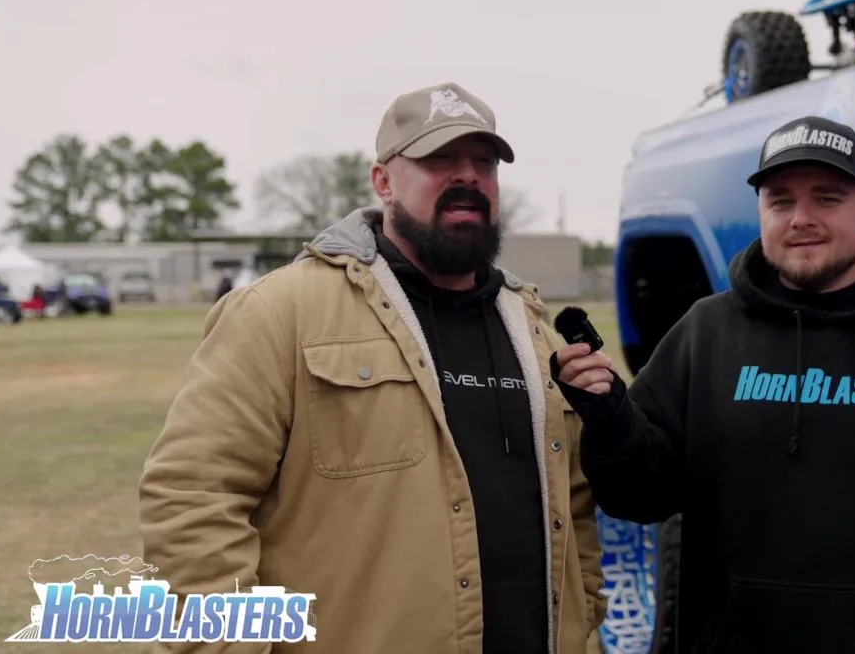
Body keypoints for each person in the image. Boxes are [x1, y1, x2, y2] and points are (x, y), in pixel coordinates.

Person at [553, 116, 855, 653]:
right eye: (781, 201)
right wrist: (610, 417)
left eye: (827, 198)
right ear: (762, 213)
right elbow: (639, 495)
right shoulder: (706, 334)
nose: (801, 219)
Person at [140, 82, 606, 654]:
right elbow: (191, 499)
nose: (467, 175)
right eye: (439, 158)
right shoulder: (280, 313)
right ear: (382, 180)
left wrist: (583, 606)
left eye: (484, 161)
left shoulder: (534, 330)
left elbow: (574, 504)